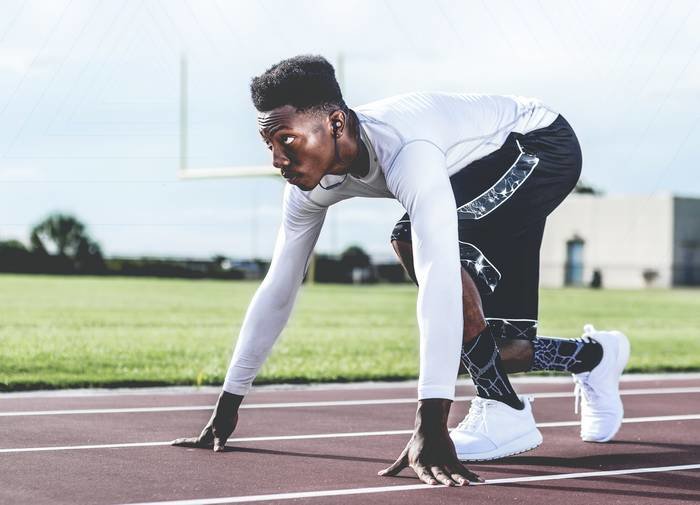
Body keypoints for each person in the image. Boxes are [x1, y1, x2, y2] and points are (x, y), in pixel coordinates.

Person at [173, 55, 630, 483]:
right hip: (476, 168)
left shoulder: (407, 149)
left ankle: (503, 408)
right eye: (269, 144)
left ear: (336, 124)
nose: (276, 159)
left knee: (413, 241)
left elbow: (438, 278)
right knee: (505, 348)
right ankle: (594, 357)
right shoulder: (307, 188)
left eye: (287, 140)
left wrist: (431, 425)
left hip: (539, 145)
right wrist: (227, 407)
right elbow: (278, 288)